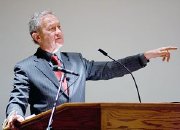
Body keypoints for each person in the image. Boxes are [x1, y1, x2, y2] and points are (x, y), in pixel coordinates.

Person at [3, 10, 177, 129]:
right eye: (51, 28)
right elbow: (17, 99)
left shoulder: (77, 61)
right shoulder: (27, 67)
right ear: (37, 36)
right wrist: (14, 115)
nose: (58, 31)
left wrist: (144, 56)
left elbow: (111, 68)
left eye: (59, 27)